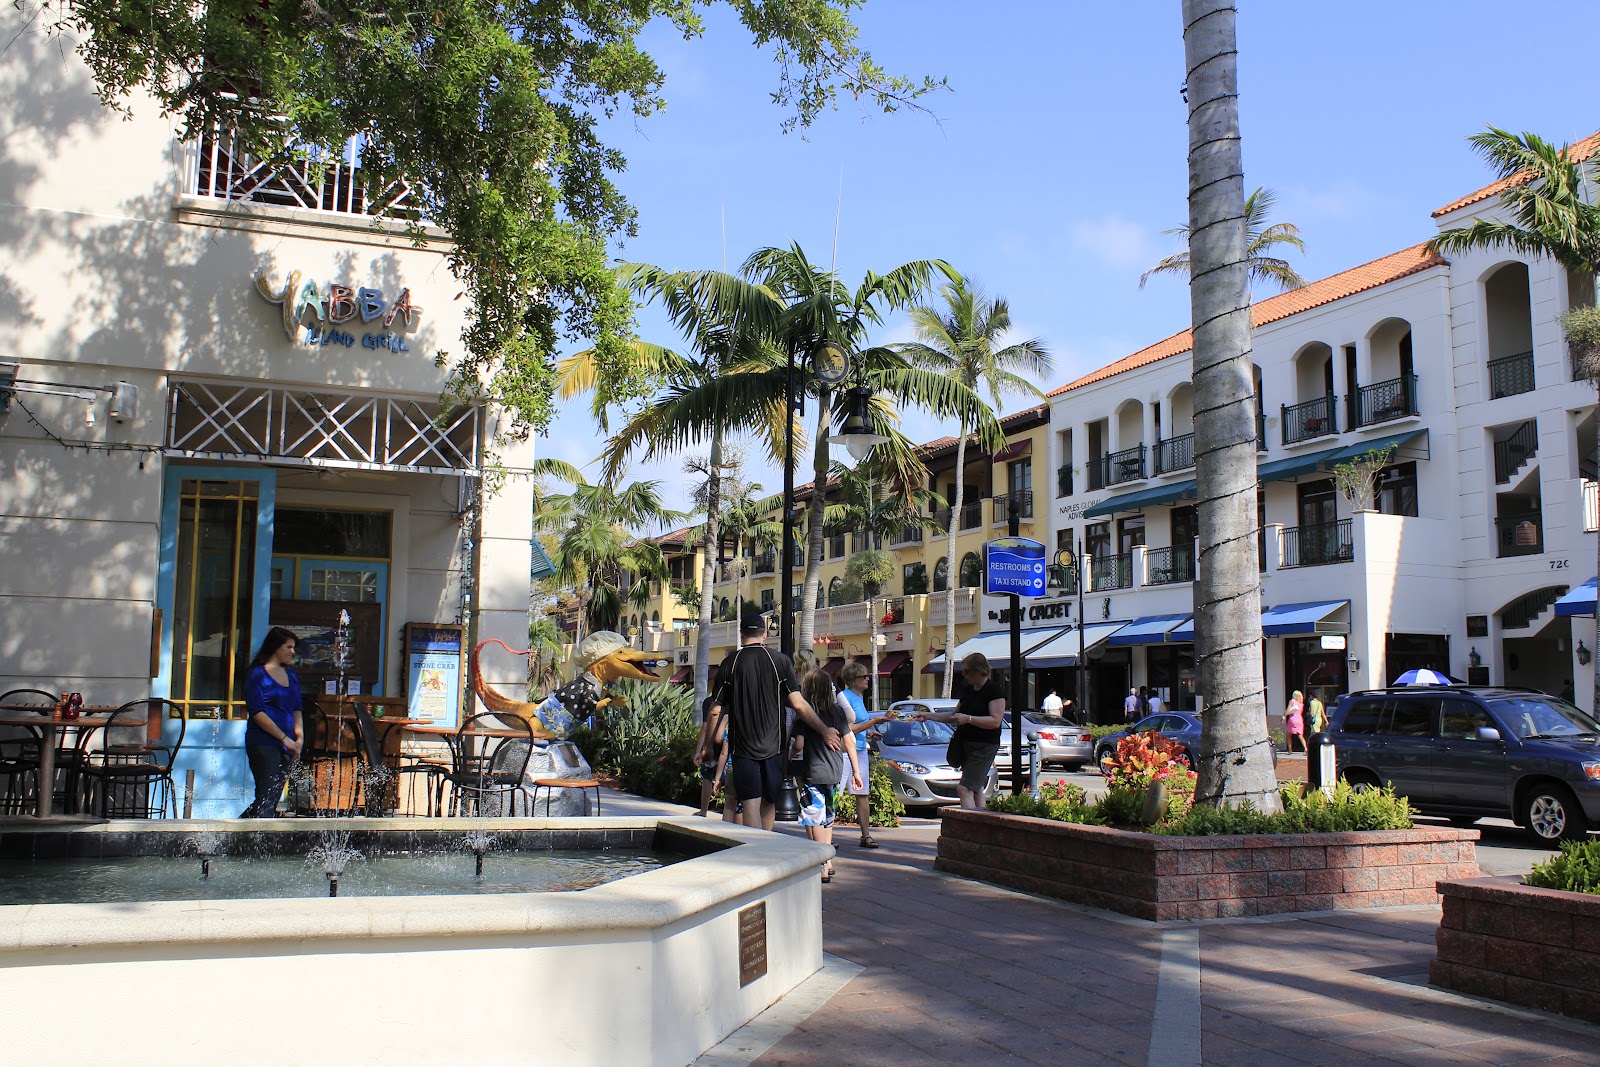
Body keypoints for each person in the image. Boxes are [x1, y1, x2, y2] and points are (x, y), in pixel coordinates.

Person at [701, 610, 842, 830]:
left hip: (742, 748)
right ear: (764, 635)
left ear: (741, 635)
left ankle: (756, 848)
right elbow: (798, 703)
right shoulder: (780, 661)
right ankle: (766, 846)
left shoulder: (730, 664)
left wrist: (708, 745)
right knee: (769, 802)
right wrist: (825, 731)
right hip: (774, 747)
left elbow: (714, 711)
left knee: (750, 803)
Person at [798, 669, 861, 882]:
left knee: (814, 818)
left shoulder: (805, 715)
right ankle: (829, 861)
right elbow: (849, 742)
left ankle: (821, 864)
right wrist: (856, 772)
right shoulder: (837, 712)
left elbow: (799, 744)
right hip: (835, 772)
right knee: (828, 817)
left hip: (813, 773)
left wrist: (790, 753)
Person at [923, 653, 1006, 810]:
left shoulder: (994, 691)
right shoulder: (968, 691)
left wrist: (968, 719)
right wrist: (928, 716)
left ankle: (968, 821)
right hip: (965, 744)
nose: (964, 675)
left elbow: (995, 721)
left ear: (979, 670)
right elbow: (954, 716)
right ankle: (981, 821)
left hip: (984, 746)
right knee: (976, 788)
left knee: (964, 789)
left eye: (967, 671)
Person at [241, 627, 304, 818]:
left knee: (272, 798)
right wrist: (284, 739)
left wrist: (299, 739)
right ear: (276, 647)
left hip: (288, 745)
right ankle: (258, 834)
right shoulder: (257, 674)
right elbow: (257, 712)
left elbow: (297, 709)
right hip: (263, 743)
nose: (292, 651)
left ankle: (238, 830)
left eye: (294, 647)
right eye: (288, 647)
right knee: (266, 795)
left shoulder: (291, 675)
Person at [838, 660, 890, 847]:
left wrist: (870, 732)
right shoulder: (844, 698)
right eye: (864, 676)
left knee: (862, 793)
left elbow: (859, 726)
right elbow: (848, 728)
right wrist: (874, 722)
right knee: (836, 791)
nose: (867, 679)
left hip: (860, 749)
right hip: (845, 750)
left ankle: (866, 835)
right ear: (853, 679)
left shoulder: (859, 697)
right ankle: (825, 833)